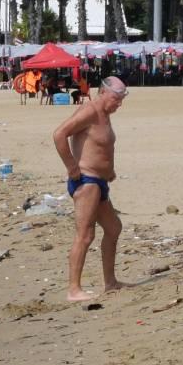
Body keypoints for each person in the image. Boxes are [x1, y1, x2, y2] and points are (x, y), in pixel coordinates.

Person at [52, 76, 133, 302]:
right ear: (103, 93)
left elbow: (100, 147)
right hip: (86, 181)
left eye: (121, 99)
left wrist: (109, 171)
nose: (119, 104)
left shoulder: (104, 114)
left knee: (114, 228)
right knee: (85, 235)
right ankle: (73, 289)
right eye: (116, 99)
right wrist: (71, 167)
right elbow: (59, 134)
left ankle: (110, 282)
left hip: (99, 181)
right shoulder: (90, 111)